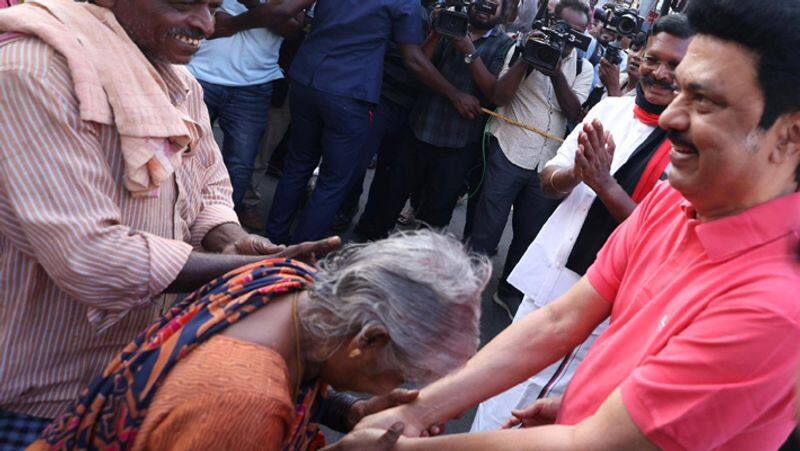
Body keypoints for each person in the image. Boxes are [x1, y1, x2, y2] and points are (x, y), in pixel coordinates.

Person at [341, 0, 800, 448]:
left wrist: (396, 442)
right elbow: (559, 319)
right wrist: (415, 410)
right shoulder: (673, 202)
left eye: (705, 102)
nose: (674, 115)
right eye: (680, 90)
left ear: (790, 135)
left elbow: (592, 441)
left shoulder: (774, 309)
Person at [0, 0, 336, 447]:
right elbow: (91, 257)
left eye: (212, 6)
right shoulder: (30, 73)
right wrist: (255, 273)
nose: (204, 23)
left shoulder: (176, 78)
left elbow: (209, 186)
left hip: (132, 374)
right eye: (182, 5)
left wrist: (232, 240)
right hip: (38, 394)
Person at [29, 230, 490, 450]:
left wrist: (348, 410)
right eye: (405, 370)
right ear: (369, 340)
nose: (391, 386)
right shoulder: (242, 405)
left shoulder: (290, 283)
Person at [470, 13, 694, 432]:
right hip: (548, 279)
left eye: (675, 66)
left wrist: (605, 185)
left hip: (599, 303)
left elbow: (661, 238)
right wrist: (577, 174)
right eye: (653, 59)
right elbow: (549, 180)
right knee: (499, 385)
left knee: (540, 412)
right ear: (639, 58)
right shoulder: (609, 108)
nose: (660, 74)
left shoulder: (690, 143)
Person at [260, 0, 484, 245]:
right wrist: (455, 94)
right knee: (333, 181)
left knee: (298, 165)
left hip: (306, 79)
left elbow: (284, 10)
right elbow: (413, 59)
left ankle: (273, 240)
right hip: (349, 93)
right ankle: (299, 256)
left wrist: (233, 24)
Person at [466, 0, 594, 319]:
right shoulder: (523, 48)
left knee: (529, 231)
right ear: (552, 23)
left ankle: (508, 291)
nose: (569, 41)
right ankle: (467, 287)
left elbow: (574, 112)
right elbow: (499, 96)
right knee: (487, 225)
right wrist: (529, 59)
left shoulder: (583, 68)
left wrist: (555, 74)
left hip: (548, 162)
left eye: (578, 35)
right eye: (565, 32)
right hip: (510, 148)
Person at [359, 0, 514, 240]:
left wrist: (468, 51)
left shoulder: (505, 45)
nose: (485, 7)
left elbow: (493, 92)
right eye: (482, 1)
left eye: (493, 5)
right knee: (389, 199)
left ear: (503, 11)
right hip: (420, 127)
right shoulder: (452, 23)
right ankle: (367, 255)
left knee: (435, 217)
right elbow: (418, 64)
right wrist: (436, 33)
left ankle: (418, 272)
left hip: (459, 143)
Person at [186, 0, 299, 213]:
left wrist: (242, 15)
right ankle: (176, 221)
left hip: (253, 84)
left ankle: (221, 227)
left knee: (239, 165)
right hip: (198, 74)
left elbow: (292, 29)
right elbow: (199, 19)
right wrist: (267, 13)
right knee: (183, 154)